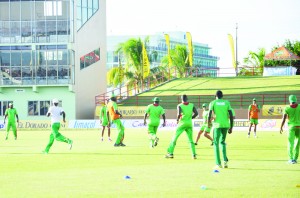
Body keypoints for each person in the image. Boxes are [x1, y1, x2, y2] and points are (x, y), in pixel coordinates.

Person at [165, 94, 198, 159]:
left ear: (181, 99)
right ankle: (194, 154)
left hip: (182, 123)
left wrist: (177, 120)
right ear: (187, 98)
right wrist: (191, 118)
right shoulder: (192, 105)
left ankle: (170, 153)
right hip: (189, 124)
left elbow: (179, 114)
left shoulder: (180, 105)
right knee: (190, 140)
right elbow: (196, 113)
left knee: (175, 137)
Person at [208, 90, 233, 169]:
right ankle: (225, 161)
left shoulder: (213, 103)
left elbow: (209, 114)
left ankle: (218, 163)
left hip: (217, 125)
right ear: (222, 96)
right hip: (225, 125)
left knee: (215, 143)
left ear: (216, 96)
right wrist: (231, 126)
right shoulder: (227, 102)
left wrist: (208, 124)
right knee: (222, 142)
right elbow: (231, 115)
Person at [280, 95, 300, 164]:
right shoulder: (299, 106)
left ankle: (291, 159)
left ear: (289, 100)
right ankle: (295, 159)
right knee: (297, 144)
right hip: (299, 127)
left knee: (290, 143)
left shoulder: (287, 108)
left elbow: (284, 119)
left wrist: (281, 127)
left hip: (291, 127)